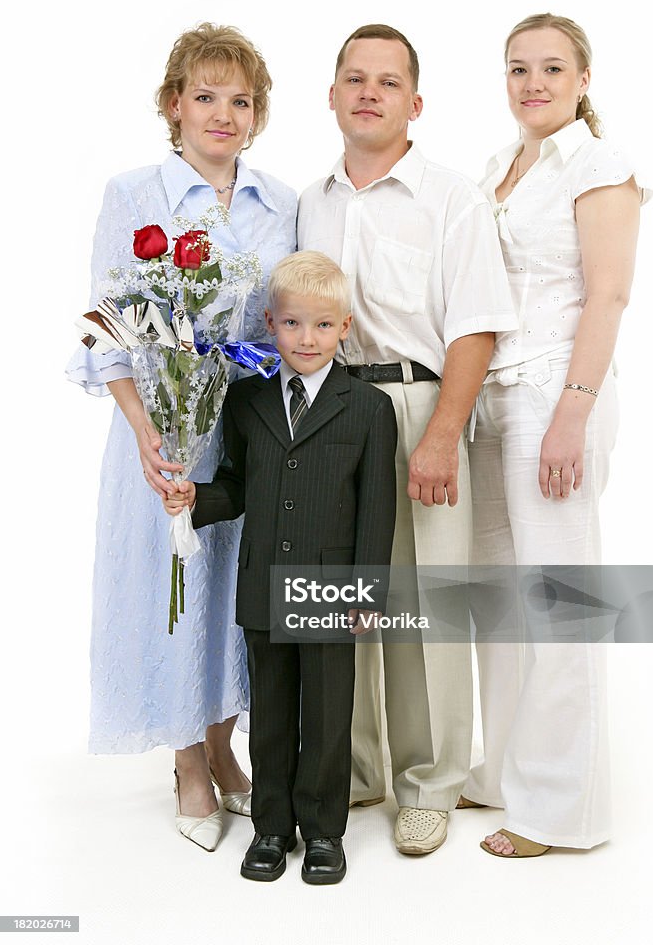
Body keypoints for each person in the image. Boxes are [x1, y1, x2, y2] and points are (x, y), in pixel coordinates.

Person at [66, 23, 296, 851]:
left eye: (241, 100)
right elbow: (106, 325)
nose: (223, 114)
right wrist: (142, 431)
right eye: (206, 96)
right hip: (165, 431)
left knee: (235, 597)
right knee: (174, 596)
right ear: (174, 105)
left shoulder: (280, 202)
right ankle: (186, 766)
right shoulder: (136, 195)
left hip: (247, 430)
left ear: (259, 114)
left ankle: (225, 749)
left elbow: (282, 322)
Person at [297, 24, 517, 855]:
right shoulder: (308, 200)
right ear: (330, 94)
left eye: (387, 83)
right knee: (340, 594)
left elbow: (474, 329)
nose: (368, 93)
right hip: (327, 409)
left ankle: (431, 782)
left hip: (417, 405)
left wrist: (441, 436)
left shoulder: (450, 197)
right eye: (353, 78)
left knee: (422, 602)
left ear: (413, 103)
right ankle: (358, 771)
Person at [461, 13, 650, 857]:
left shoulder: (599, 164)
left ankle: (558, 812)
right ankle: (498, 771)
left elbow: (606, 296)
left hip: (553, 395)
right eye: (516, 69)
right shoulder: (499, 166)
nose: (531, 83)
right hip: (494, 396)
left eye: (549, 68)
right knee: (497, 594)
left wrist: (572, 409)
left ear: (581, 79)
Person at [163, 252, 398, 883]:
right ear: (271, 323)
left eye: (322, 326)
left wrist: (366, 592)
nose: (307, 339)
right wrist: (197, 499)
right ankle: (270, 828)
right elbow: (237, 486)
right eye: (293, 324)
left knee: (326, 714)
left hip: (331, 589)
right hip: (263, 581)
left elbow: (377, 512)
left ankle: (323, 833)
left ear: (344, 326)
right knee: (270, 712)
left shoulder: (370, 409)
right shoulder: (247, 401)